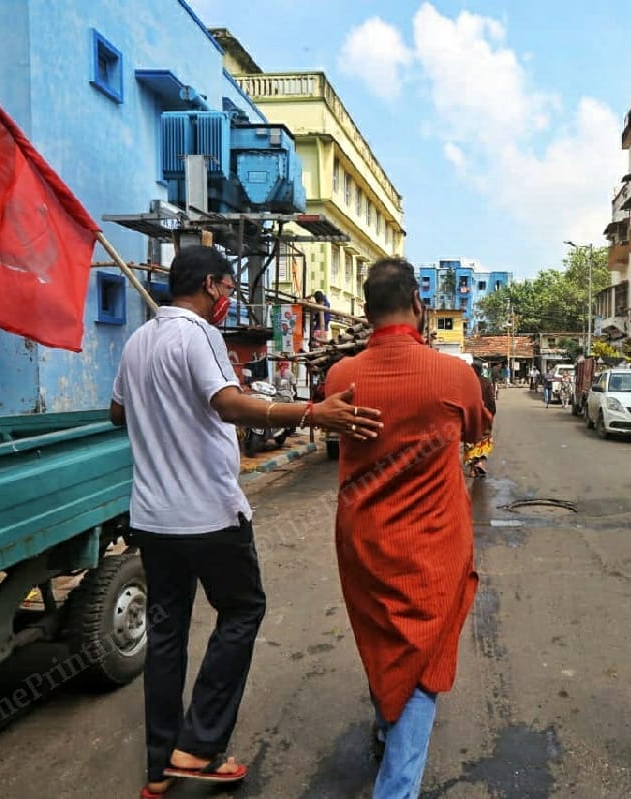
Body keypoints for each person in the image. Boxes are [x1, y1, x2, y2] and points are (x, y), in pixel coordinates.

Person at [109, 246, 383, 799]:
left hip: (154, 519)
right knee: (243, 609)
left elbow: (119, 412)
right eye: (229, 290)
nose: (229, 300)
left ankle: (159, 770)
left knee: (167, 635)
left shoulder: (139, 341)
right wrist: (312, 412)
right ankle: (200, 745)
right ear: (211, 285)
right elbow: (231, 405)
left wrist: (162, 408)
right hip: (208, 515)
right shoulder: (199, 336)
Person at [325, 257, 491, 798]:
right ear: (418, 308)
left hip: (364, 542)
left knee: (382, 639)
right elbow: (476, 431)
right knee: (420, 656)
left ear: (367, 312)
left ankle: (384, 722)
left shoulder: (341, 375)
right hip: (434, 545)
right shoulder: (455, 375)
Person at [465, 359, 498, 477]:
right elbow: (491, 401)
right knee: (482, 441)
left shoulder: (467, 383)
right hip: (484, 417)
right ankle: (479, 463)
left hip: (470, 418)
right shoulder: (486, 382)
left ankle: (473, 469)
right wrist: (491, 414)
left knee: (471, 442)